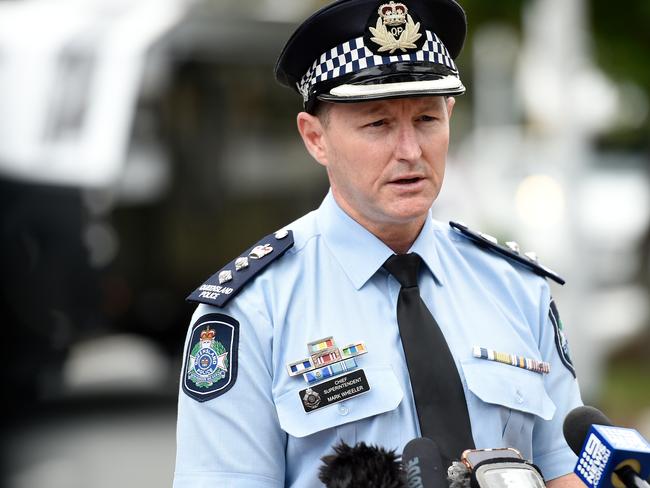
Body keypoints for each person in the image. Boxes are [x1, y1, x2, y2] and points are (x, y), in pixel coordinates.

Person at [173, 0, 584, 486]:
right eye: (378, 124)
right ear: (315, 137)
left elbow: (565, 470)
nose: (410, 151)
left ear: (450, 116)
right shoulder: (252, 312)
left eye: (428, 120)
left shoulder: (514, 288)